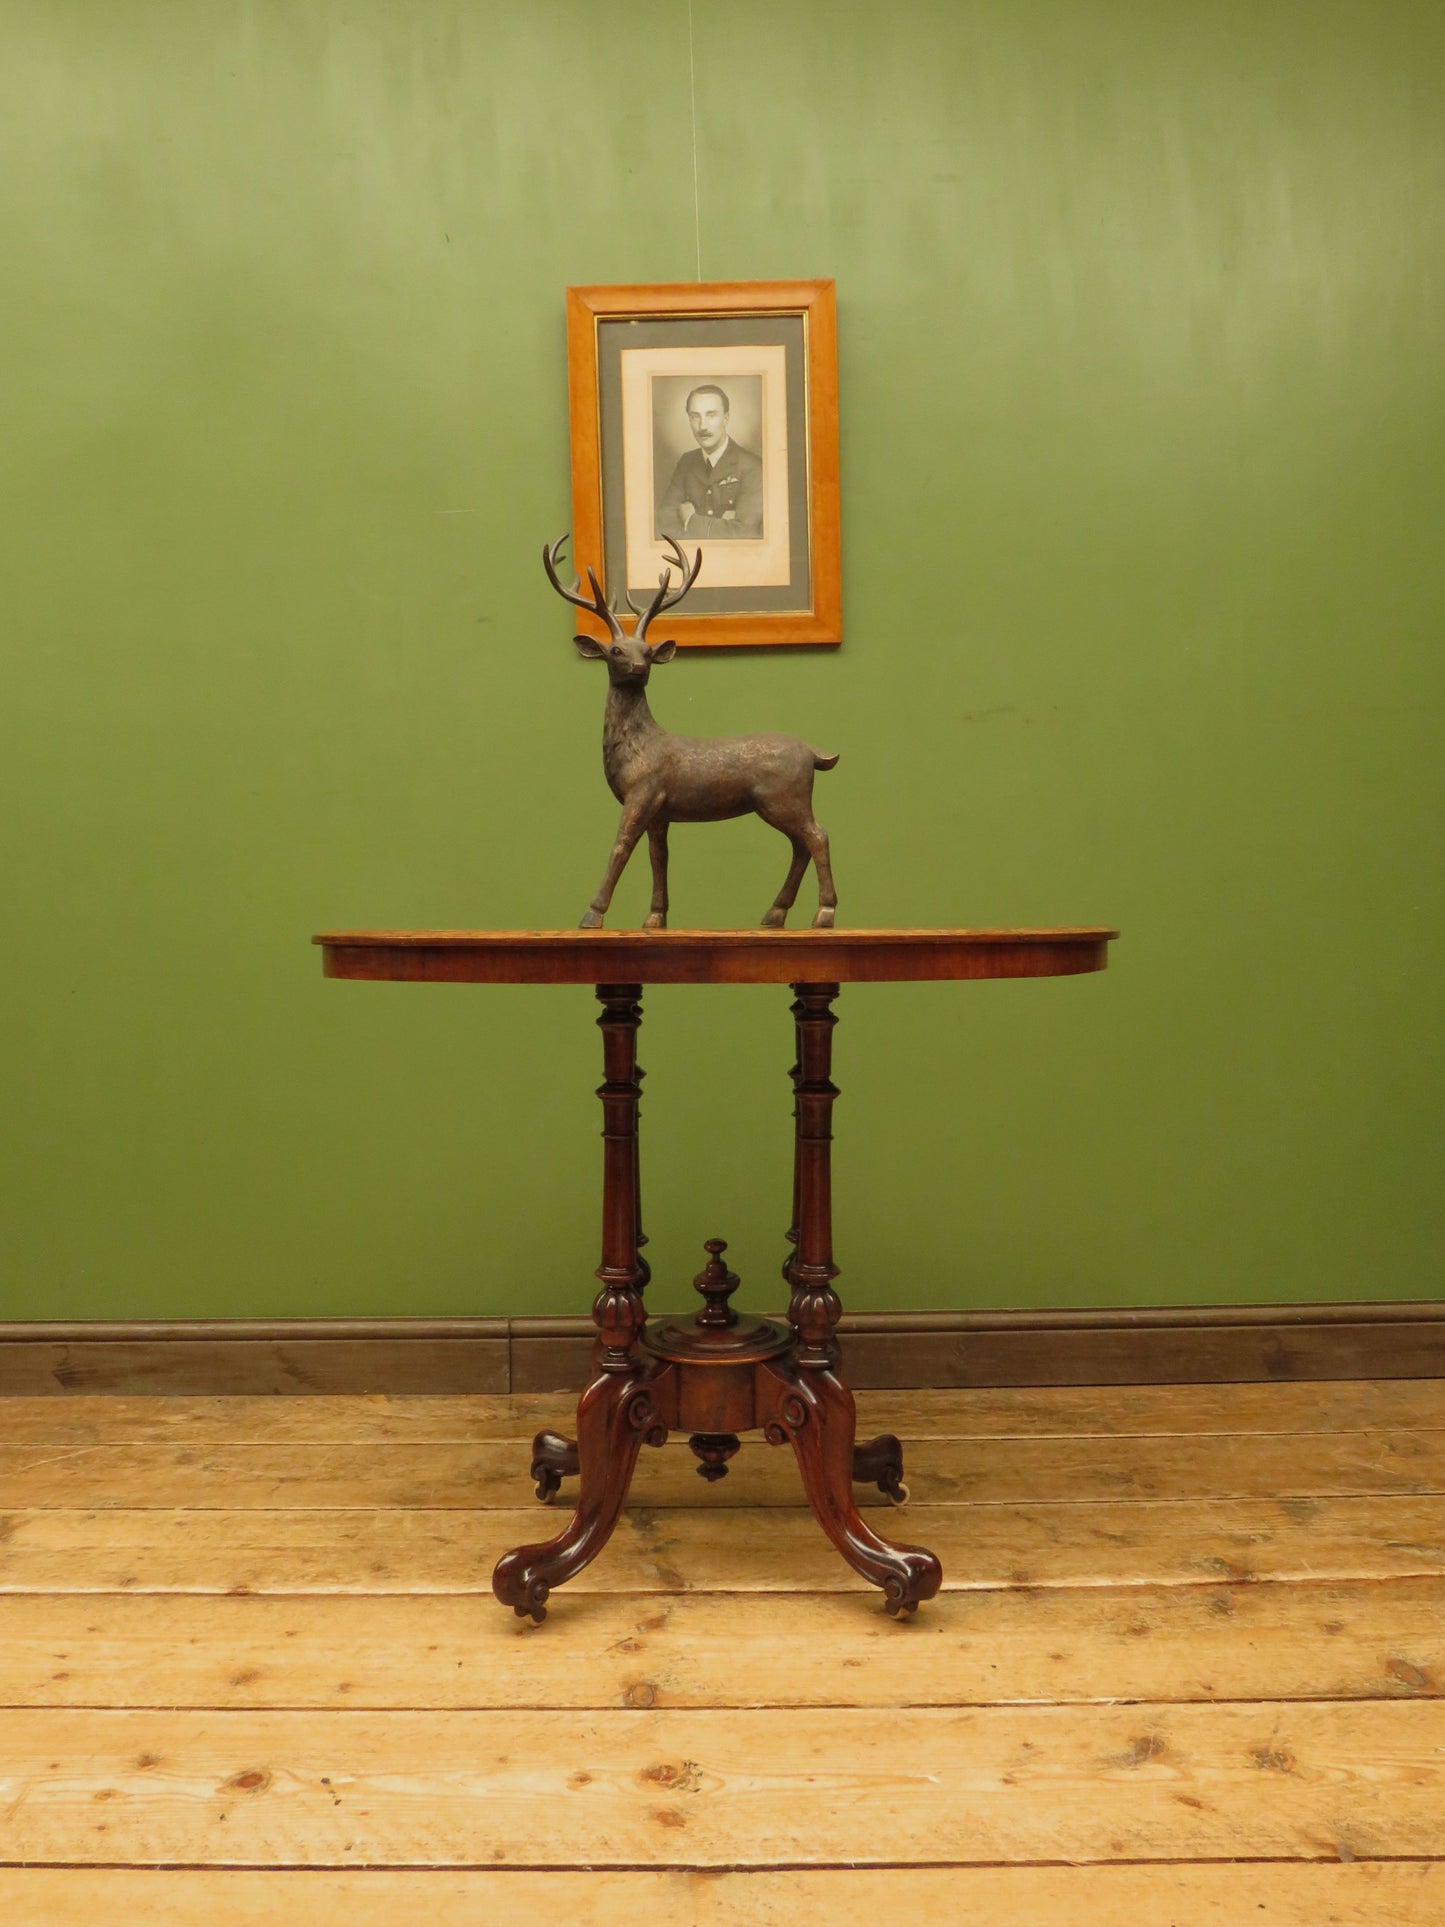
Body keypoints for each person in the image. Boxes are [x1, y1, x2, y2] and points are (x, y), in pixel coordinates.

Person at [656, 384, 763, 539]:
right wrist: (722, 526)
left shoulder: (752, 466)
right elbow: (665, 520)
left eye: (711, 415)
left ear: (726, 418)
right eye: (695, 416)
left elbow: (745, 532)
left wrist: (691, 521)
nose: (702, 426)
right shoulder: (687, 462)